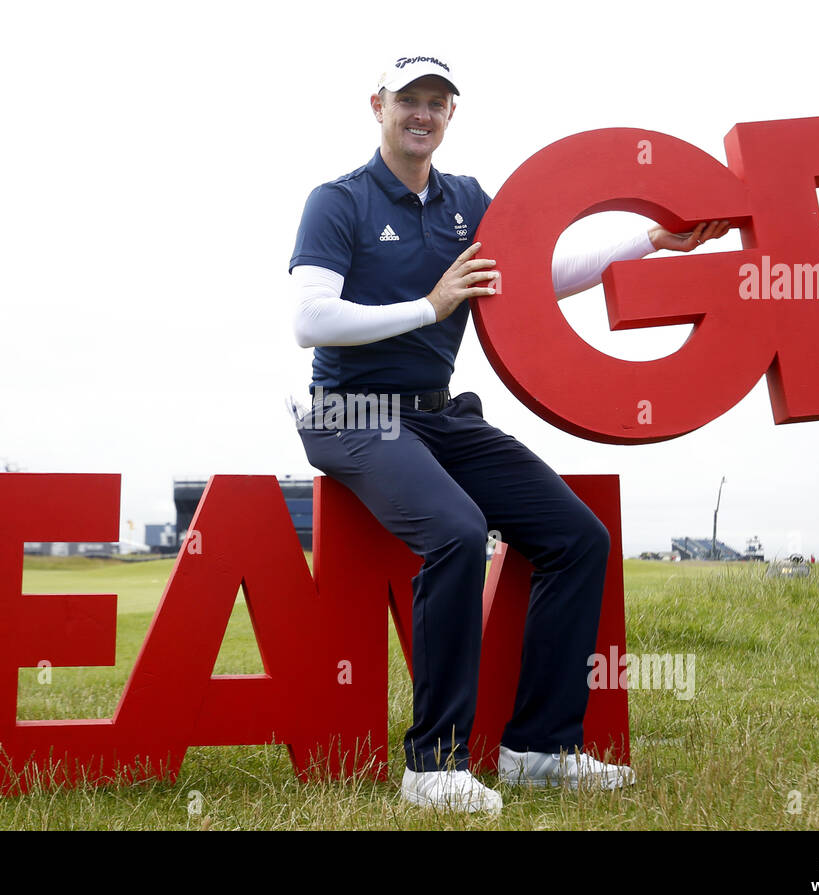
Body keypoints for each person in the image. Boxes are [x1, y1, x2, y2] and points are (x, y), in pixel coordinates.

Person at [288, 55, 728, 814]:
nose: (422, 114)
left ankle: (540, 750)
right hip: (349, 412)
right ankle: (434, 766)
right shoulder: (339, 201)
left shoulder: (467, 201)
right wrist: (431, 306)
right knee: (458, 532)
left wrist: (650, 239)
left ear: (450, 115)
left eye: (438, 102)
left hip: (436, 412)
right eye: (408, 101)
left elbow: (541, 272)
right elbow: (310, 319)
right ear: (377, 105)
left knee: (577, 537)